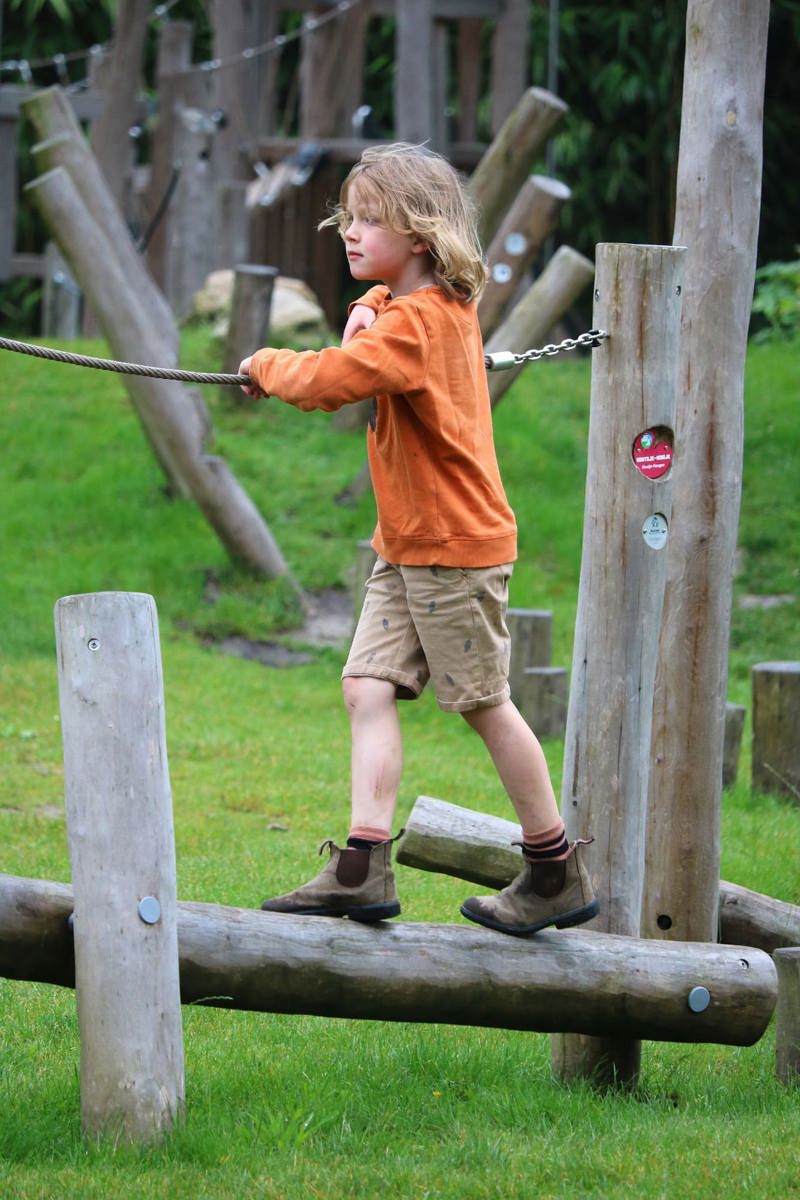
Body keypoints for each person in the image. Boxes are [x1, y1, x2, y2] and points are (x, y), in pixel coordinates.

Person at [239, 143, 597, 937]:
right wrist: (368, 301)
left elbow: (334, 381)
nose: (352, 232)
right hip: (405, 547)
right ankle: (362, 868)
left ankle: (553, 870)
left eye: (373, 221)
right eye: (350, 218)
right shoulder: (424, 309)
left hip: (452, 550)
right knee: (366, 686)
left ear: (423, 237)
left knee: (484, 704)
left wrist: (265, 363)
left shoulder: (418, 326)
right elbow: (374, 329)